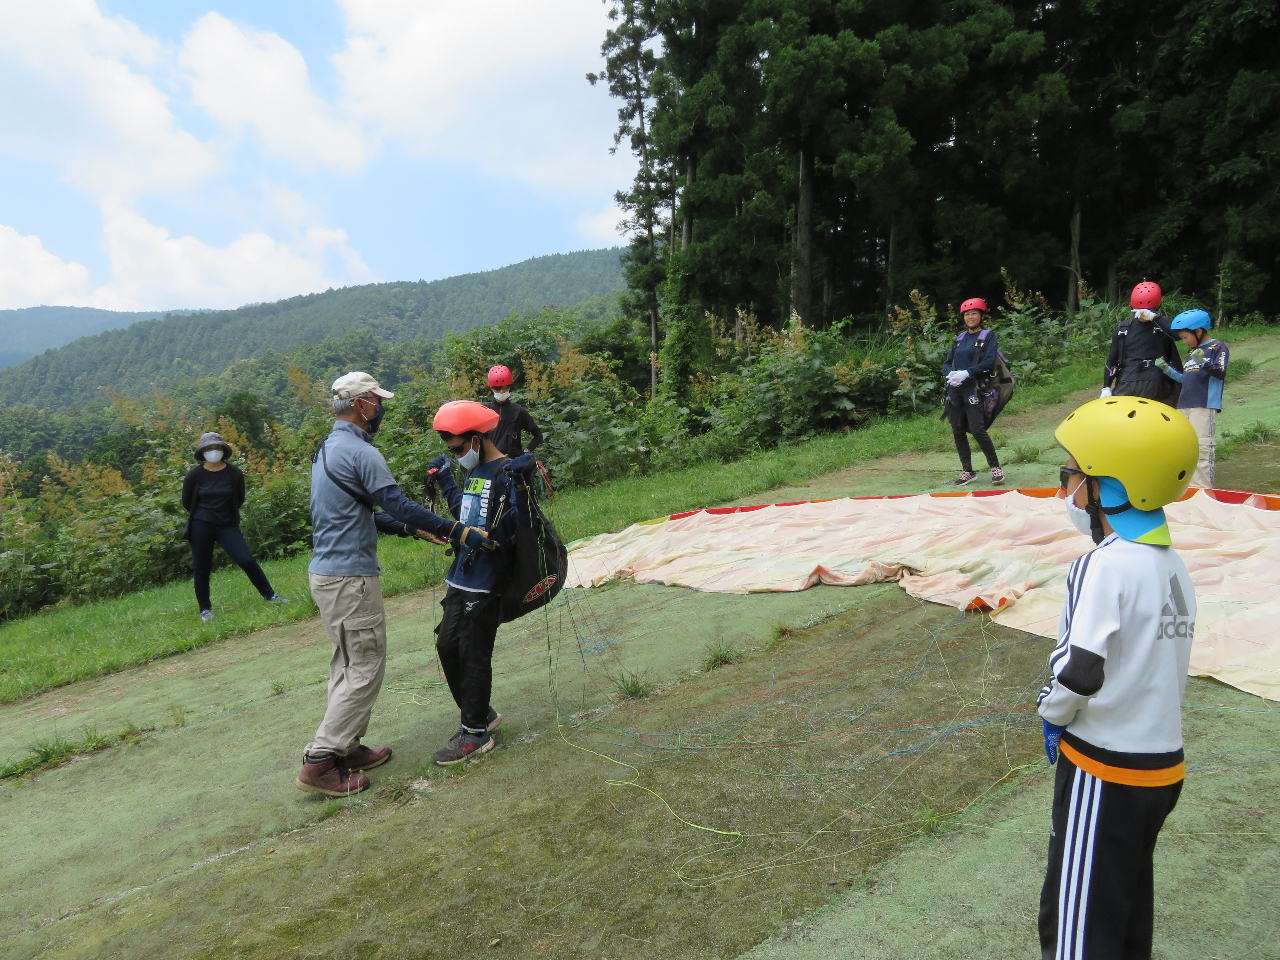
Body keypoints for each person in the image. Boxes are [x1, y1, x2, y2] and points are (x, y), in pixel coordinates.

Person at [1038, 395, 1199, 960]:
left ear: (1110, 486)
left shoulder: (1103, 564)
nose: (1068, 492)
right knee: (1125, 910)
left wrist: (1050, 715)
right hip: (1161, 766)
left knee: (1078, 926)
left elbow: (1079, 671)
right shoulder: (1173, 566)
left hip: (1106, 769)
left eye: (1073, 477)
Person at [298, 372, 481, 798]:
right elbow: (395, 502)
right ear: (361, 404)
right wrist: (457, 531)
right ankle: (321, 761)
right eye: (376, 401)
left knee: (347, 663)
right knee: (364, 665)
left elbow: (360, 512)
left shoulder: (326, 450)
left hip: (326, 574)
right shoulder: (363, 453)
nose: (380, 408)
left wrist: (412, 531)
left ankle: (346, 746)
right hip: (350, 579)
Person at [426, 399, 537, 765]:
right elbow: (466, 514)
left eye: (458, 448)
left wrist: (522, 484)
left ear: (476, 439)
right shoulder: (476, 472)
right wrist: (445, 480)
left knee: (473, 653)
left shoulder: (506, 471)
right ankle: (482, 713)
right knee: (447, 646)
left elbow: (523, 526)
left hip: (489, 578)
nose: (456, 454)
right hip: (462, 574)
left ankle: (475, 732)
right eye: (450, 450)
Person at [181, 431, 289, 623]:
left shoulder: (234, 473)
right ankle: (205, 609)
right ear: (202, 452)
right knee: (202, 567)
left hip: (227, 524)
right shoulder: (194, 475)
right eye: (208, 449)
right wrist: (205, 515)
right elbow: (187, 502)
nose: (213, 451)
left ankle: (271, 596)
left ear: (223, 449)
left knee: (246, 560)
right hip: (201, 524)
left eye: (216, 447)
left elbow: (239, 498)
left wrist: (224, 515)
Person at [1157, 309, 1228, 489]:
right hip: (1184, 405)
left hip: (1203, 405)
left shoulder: (1217, 347)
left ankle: (1204, 491)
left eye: (1185, 336)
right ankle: (1187, 489)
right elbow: (1185, 379)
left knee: (1202, 449)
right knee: (1185, 450)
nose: (1184, 341)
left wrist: (1203, 361)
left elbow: (1220, 373)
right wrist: (1167, 369)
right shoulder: (1193, 352)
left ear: (1198, 331)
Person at [942, 297, 1004, 486]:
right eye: (967, 314)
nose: (970, 317)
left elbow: (988, 362)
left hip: (975, 389)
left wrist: (967, 373)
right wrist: (950, 375)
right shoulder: (959, 339)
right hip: (956, 390)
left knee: (977, 429)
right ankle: (967, 470)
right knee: (958, 430)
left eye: (974, 313)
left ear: (982, 315)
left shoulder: (988, 336)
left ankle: (995, 467)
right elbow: (947, 362)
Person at [1101, 282, 1182, 404]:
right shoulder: (1161, 327)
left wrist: (1107, 386)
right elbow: (1112, 360)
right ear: (1158, 304)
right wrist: (1106, 387)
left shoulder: (1123, 329)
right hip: (1151, 382)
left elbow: (1111, 362)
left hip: (1129, 383)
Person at [483, 364, 544, 458]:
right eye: (497, 388)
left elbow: (538, 435)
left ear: (510, 386)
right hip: (490, 462)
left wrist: (525, 452)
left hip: (512, 464)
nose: (501, 391)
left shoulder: (518, 411)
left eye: (504, 387)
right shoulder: (484, 410)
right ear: (491, 388)